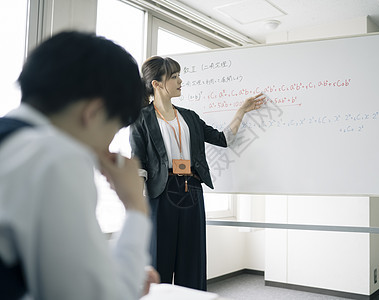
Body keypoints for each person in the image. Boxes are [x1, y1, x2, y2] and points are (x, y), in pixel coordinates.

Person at [0, 31, 158, 299]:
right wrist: (135, 208)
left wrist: (111, 272)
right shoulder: (57, 157)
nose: (106, 149)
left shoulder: (13, 143)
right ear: (93, 113)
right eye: (112, 131)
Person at [129, 56, 265, 291]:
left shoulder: (189, 117)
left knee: (192, 259)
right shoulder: (142, 118)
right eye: (174, 77)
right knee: (158, 259)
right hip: (160, 194)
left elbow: (223, 140)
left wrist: (242, 111)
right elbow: (138, 163)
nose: (180, 80)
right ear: (157, 84)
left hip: (191, 189)